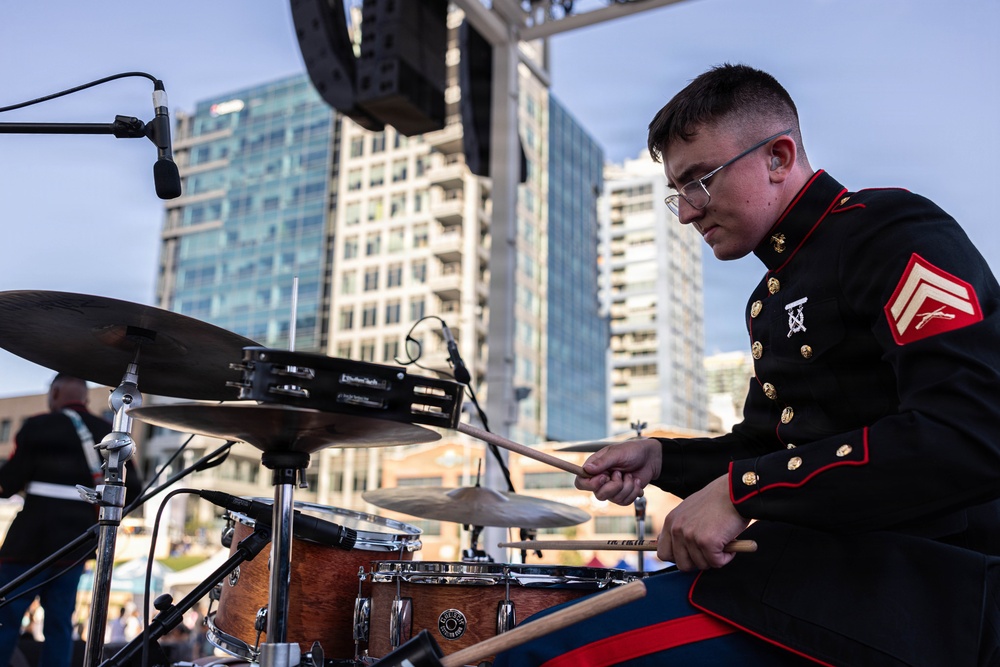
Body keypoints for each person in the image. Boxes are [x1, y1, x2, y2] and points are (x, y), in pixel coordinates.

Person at [494, 63, 1000, 666]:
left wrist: (742, 492)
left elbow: (971, 434)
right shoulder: (772, 296)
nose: (685, 212)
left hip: (912, 598)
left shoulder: (890, 233)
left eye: (699, 181)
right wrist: (662, 458)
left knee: (544, 656)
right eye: (676, 191)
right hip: (808, 583)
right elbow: (767, 445)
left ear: (779, 158)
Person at [0, 374, 143, 667]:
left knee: (6, 616)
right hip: (77, 541)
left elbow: (8, 484)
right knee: (60, 623)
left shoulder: (37, 425)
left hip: (30, 539)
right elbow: (135, 488)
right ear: (86, 398)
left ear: (54, 394)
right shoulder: (108, 431)